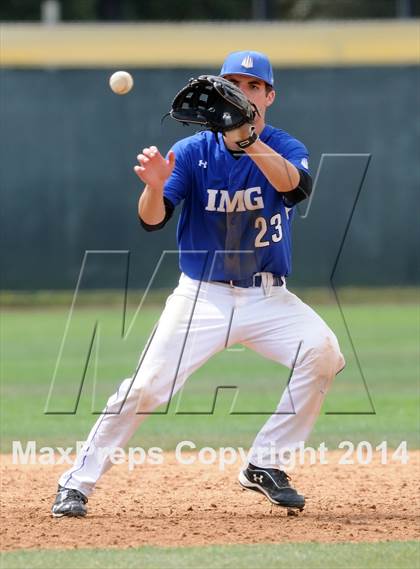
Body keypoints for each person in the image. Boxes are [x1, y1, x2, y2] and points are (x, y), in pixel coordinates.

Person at [52, 51, 345, 517]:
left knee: (324, 351)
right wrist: (153, 186)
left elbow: (295, 188)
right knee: (144, 388)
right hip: (201, 296)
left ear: (269, 95)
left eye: (252, 85)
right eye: (232, 83)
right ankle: (77, 483)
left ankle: (266, 463)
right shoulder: (192, 152)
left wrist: (247, 140)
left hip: (268, 297)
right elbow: (152, 220)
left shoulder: (285, 146)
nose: (241, 92)